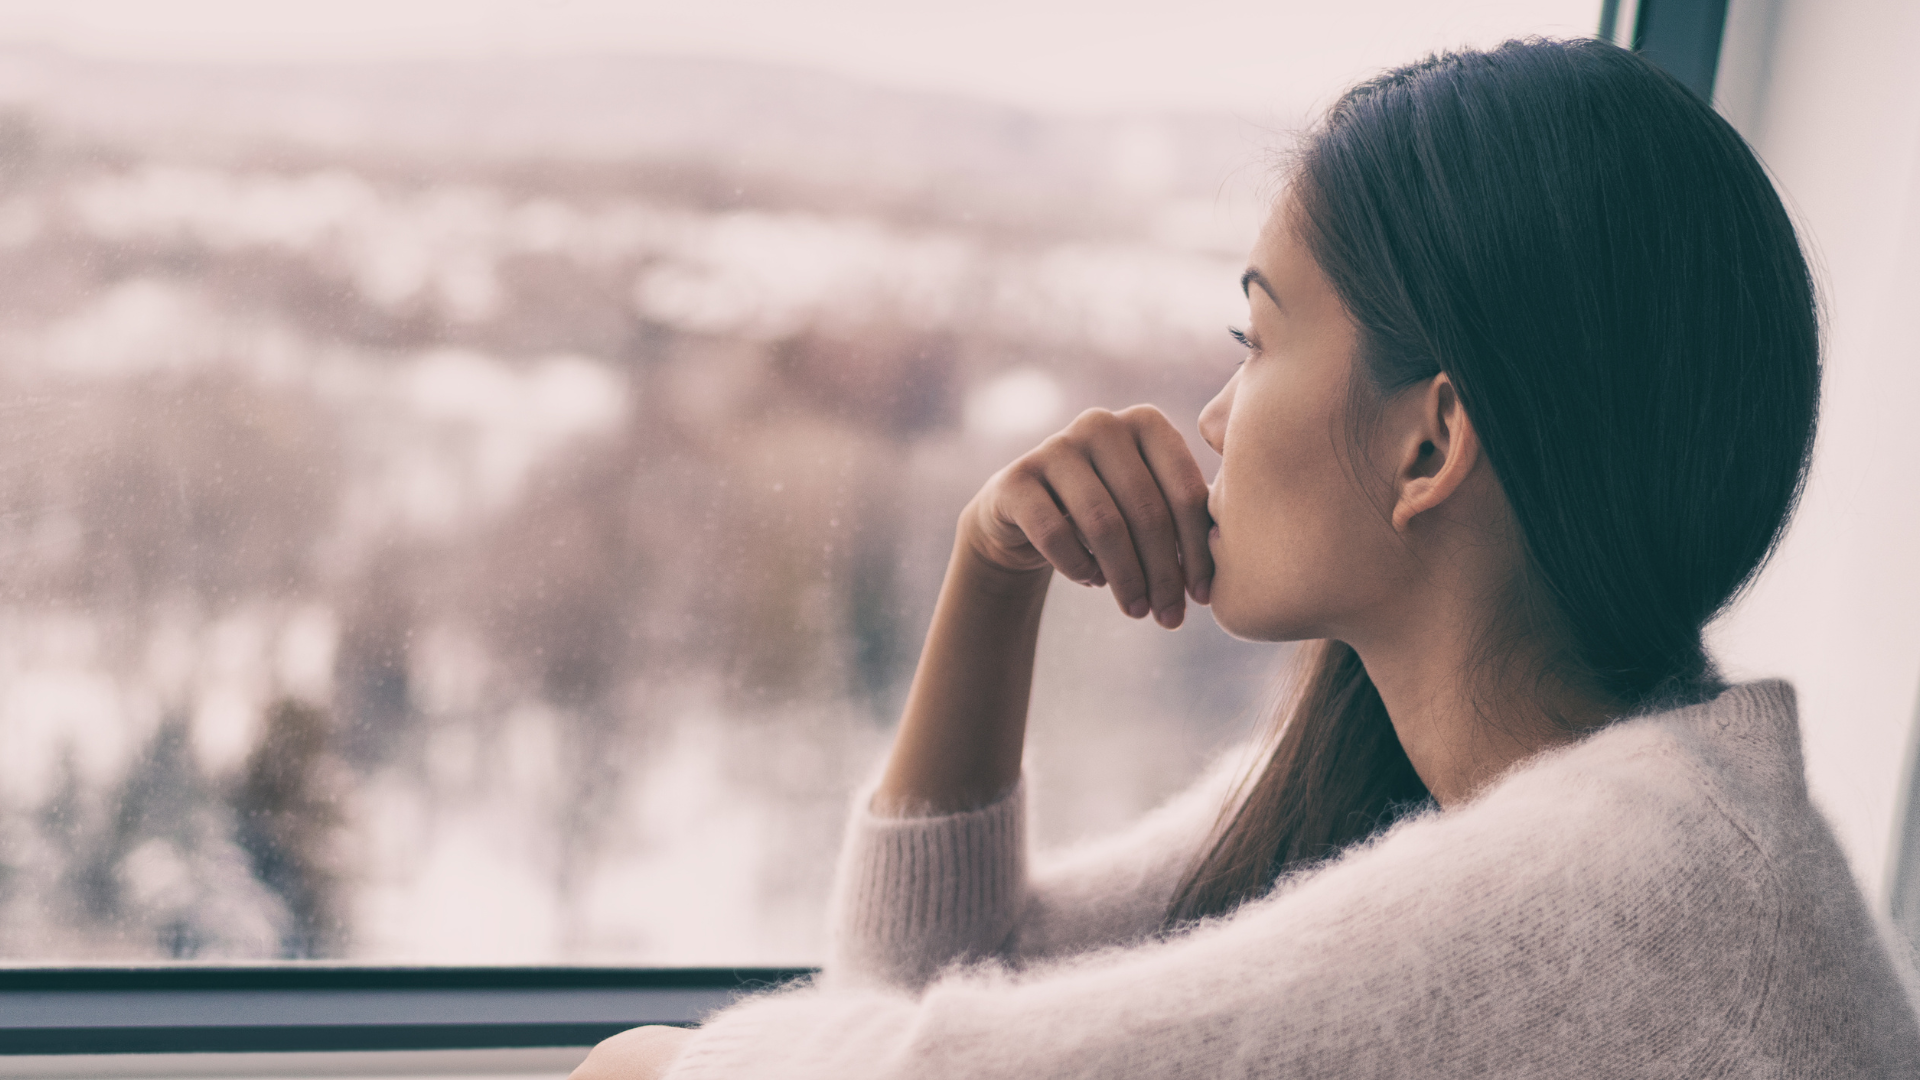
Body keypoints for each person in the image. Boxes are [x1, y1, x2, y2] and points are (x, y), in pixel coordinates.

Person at [574, 37, 1920, 1077]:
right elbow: (922, 992)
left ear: (1431, 443)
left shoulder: (1650, 890)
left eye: (1258, 343)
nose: (1218, 417)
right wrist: (994, 572)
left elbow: (929, 1061)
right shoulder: (1434, 771)